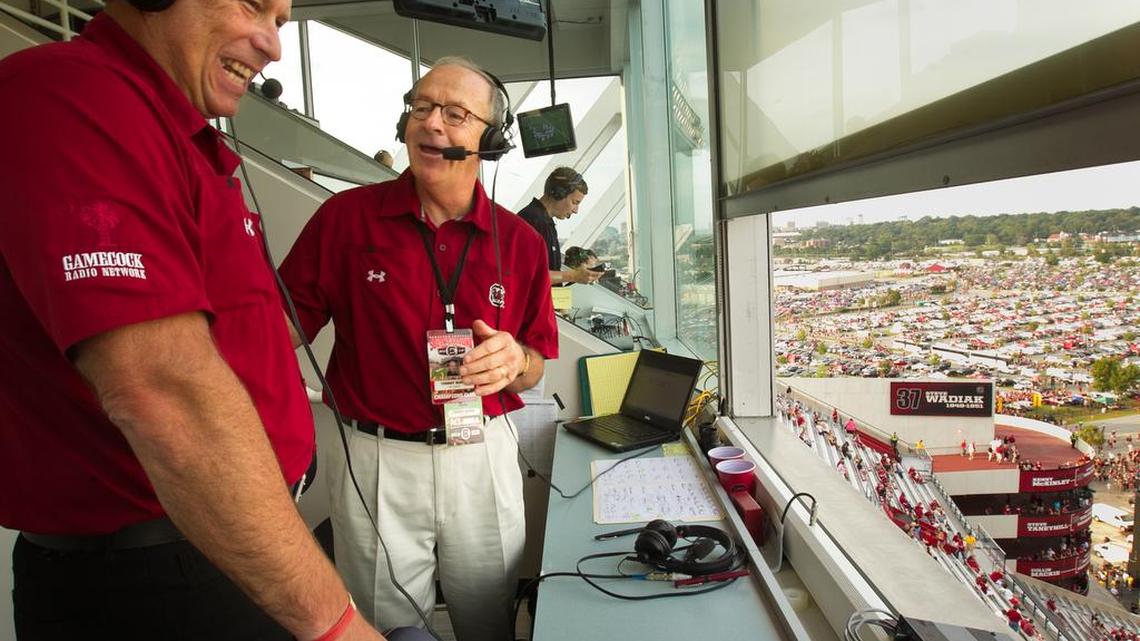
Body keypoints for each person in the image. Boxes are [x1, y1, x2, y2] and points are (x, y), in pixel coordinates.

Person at [0, 0, 384, 639]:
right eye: (255, 6)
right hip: (160, 574)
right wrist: (339, 626)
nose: (273, 45)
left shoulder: (180, 139)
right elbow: (160, 391)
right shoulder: (73, 97)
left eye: (283, 22)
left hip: (231, 552)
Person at [279, 56, 558, 641]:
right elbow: (278, 330)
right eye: (421, 107)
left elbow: (535, 364)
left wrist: (515, 362)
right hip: (376, 462)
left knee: (490, 623)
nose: (431, 123)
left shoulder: (524, 243)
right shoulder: (343, 221)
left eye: (455, 114)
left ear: (492, 140)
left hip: (480, 457)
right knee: (385, 627)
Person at [517, 166, 601, 285]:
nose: (576, 210)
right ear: (558, 194)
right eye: (574, 202)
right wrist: (574, 275)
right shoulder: (533, 221)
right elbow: (527, 275)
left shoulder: (545, 222)